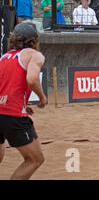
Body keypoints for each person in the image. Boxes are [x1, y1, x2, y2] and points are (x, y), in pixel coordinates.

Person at [0, 22, 47, 179]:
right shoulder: (34, 55)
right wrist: (42, 98)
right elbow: (32, 79)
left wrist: (22, 103)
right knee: (35, 159)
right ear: (34, 40)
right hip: (12, 115)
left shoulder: (4, 57)